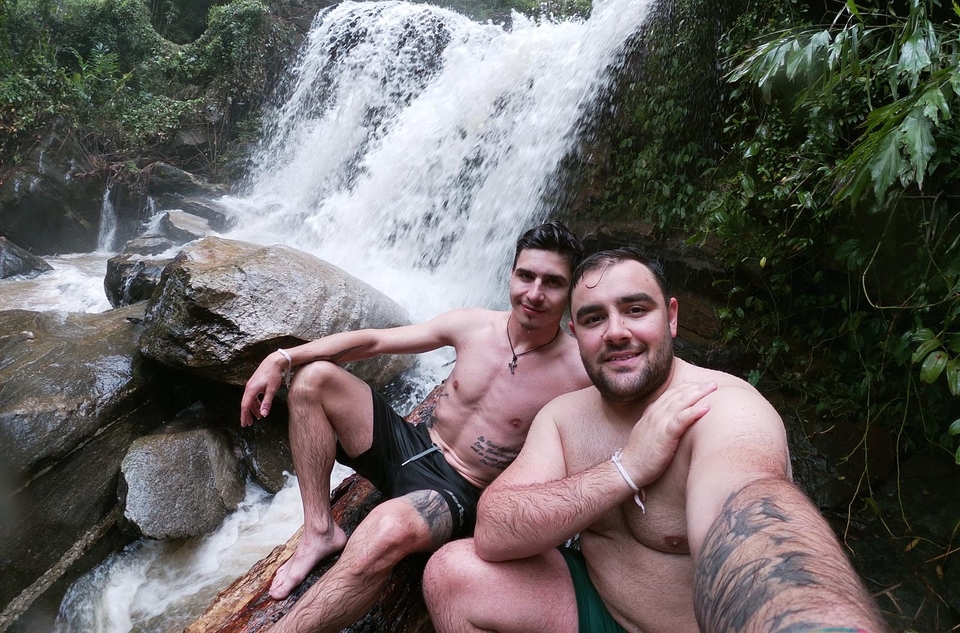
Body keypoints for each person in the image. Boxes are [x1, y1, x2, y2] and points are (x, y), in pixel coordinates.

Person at [423, 247, 889, 633]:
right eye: (594, 318)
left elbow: (753, 516)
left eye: (635, 309)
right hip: (597, 609)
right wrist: (626, 468)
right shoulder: (564, 417)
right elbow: (494, 532)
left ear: (671, 317)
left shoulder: (722, 408)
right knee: (452, 575)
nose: (616, 332)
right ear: (575, 334)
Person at [238, 221, 594, 633]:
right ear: (511, 274)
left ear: (570, 292)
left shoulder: (580, 371)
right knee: (314, 378)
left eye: (552, 282)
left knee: (383, 531)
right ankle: (320, 530)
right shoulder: (473, 325)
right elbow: (375, 341)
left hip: (458, 490)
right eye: (526, 276)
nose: (534, 293)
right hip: (414, 443)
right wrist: (283, 357)